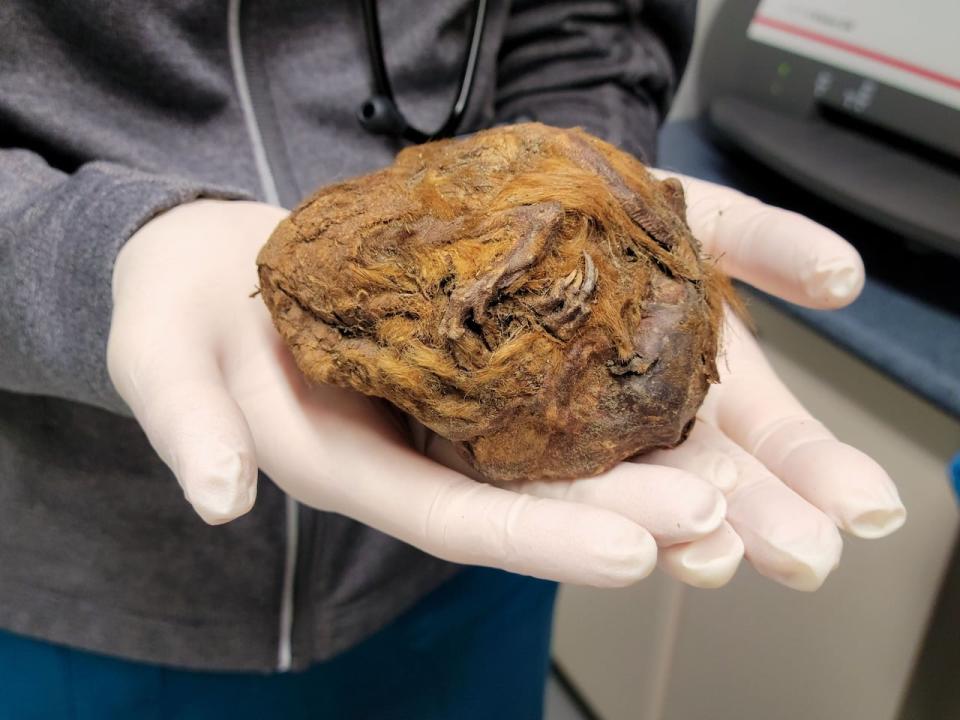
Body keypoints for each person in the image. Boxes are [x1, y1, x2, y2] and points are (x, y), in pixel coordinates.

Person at [0, 1, 905, 717]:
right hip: (84, 578)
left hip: (462, 583)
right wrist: (91, 254)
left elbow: (587, 26)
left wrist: (586, 164)